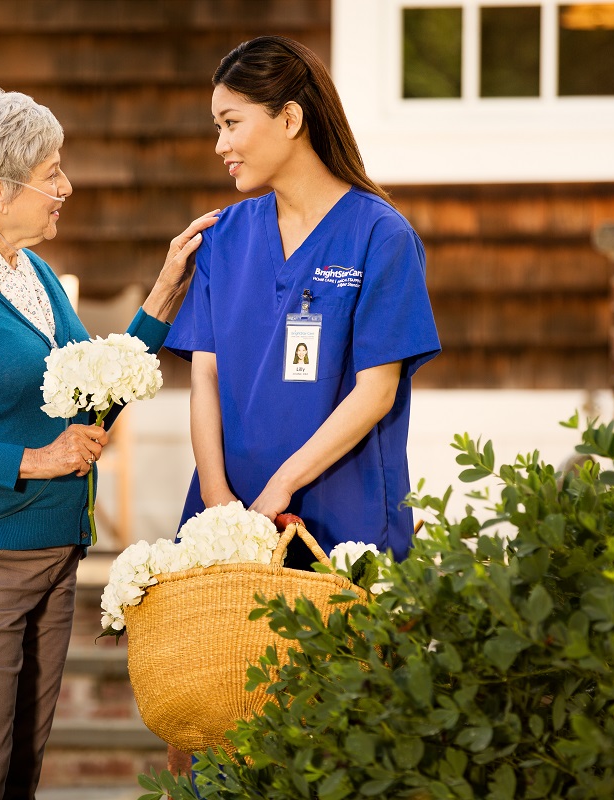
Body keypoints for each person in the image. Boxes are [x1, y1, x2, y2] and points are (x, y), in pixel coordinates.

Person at [0, 83, 217, 800]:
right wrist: (33, 459)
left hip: (50, 553)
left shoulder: (30, 275)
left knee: (17, 780)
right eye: (51, 173)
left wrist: (164, 294)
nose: (66, 187)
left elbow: (91, 398)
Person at [165, 35, 441, 566]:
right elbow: (205, 377)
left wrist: (281, 487)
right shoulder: (222, 237)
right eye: (216, 127)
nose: (220, 144)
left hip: (342, 518)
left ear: (290, 119)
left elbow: (377, 392)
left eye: (231, 123)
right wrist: (218, 499)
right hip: (230, 520)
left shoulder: (380, 236)